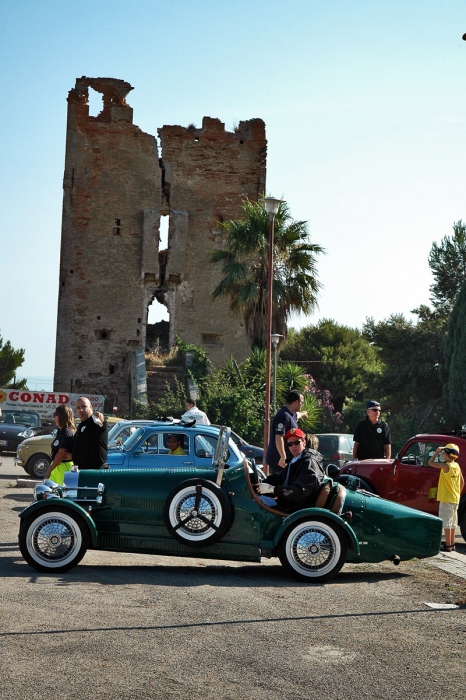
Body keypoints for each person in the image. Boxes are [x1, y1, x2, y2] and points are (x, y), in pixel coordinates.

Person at [256, 428, 326, 512]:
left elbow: (299, 492)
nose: (293, 446)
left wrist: (272, 489)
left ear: (304, 442)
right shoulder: (296, 461)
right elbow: (279, 478)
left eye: (297, 442)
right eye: (290, 444)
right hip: (289, 504)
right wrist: (261, 483)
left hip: (297, 508)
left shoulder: (309, 462)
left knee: (258, 509)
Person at [428, 443, 465, 552]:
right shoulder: (456, 466)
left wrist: (437, 451)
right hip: (455, 498)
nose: (443, 454)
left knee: (447, 522)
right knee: (453, 523)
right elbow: (462, 482)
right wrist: (457, 493)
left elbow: (430, 463)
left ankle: (448, 545)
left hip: (446, 498)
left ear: (447, 454)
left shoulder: (446, 466)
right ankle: (452, 544)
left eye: (444, 453)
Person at [266, 390, 308, 475]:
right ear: (296, 402)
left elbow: (297, 415)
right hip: (279, 461)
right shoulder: (283, 416)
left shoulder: (290, 414)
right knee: (280, 485)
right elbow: (279, 437)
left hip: (287, 459)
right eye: (302, 403)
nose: (302, 405)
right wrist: (283, 456)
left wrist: (303, 414)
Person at [72, 396, 108, 469]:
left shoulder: (95, 421)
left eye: (84, 406)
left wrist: (101, 419)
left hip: (95, 471)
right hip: (82, 471)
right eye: (78, 408)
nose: (81, 410)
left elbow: (101, 423)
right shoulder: (81, 425)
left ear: (91, 407)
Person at [44, 405, 76, 483]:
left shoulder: (67, 432)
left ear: (61, 416)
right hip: (56, 466)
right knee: (50, 492)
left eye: (56, 414)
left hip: (64, 467)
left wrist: (49, 471)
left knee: (61, 492)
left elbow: (61, 454)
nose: (54, 416)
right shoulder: (61, 431)